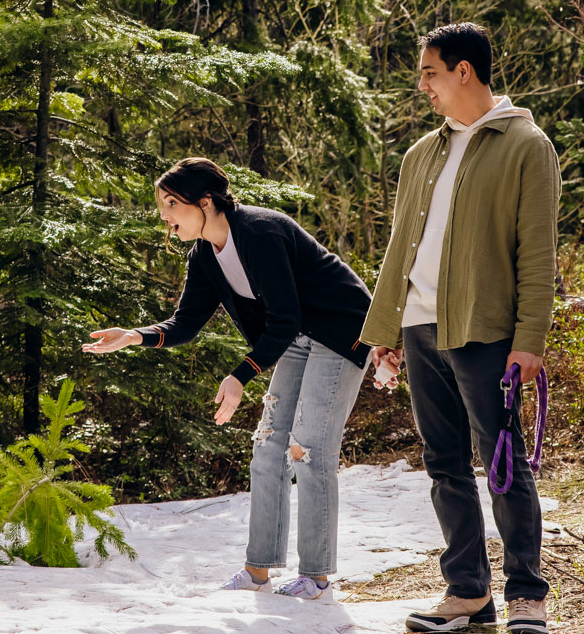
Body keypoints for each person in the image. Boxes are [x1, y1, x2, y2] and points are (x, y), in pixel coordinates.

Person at [85, 158, 374, 598]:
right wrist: (133, 337)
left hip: (340, 332)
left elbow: (285, 315)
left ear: (205, 203)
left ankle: (315, 576)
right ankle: (258, 570)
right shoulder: (204, 255)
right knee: (268, 444)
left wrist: (241, 375)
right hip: (296, 336)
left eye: (171, 204)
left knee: (308, 448)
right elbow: (186, 323)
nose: (164, 215)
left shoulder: (260, 231)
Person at [364, 23, 561, 634]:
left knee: (501, 463)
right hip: (421, 327)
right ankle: (468, 594)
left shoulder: (527, 145)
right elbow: (400, 249)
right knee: (443, 463)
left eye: (429, 72)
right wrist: (386, 328)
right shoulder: (420, 154)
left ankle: (527, 594)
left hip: (484, 331)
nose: (422, 84)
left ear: (464, 71)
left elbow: (537, 253)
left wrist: (529, 339)